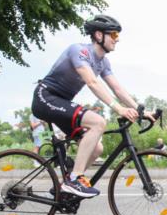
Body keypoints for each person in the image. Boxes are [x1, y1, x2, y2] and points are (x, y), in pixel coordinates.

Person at [31, 15, 143, 197]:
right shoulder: (80, 51)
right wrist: (119, 109)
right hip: (46, 97)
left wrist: (139, 110)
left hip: (62, 102)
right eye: (113, 35)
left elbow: (117, 89)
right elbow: (91, 82)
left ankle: (62, 188)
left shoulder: (103, 62)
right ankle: (74, 179)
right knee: (98, 122)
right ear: (99, 35)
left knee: (97, 148)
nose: (117, 39)